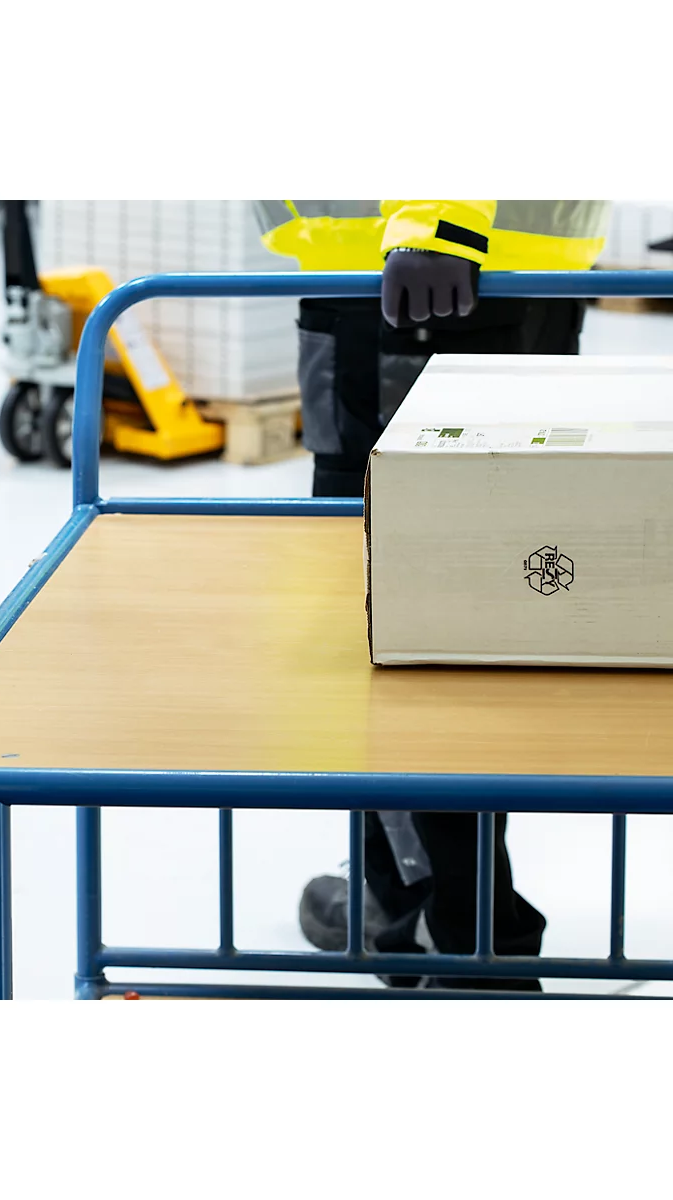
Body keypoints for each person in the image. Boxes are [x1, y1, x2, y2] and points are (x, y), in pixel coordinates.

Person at [253, 200, 611, 989]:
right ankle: (406, 898)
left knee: (410, 615)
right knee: (440, 604)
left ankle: (461, 933)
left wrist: (436, 222)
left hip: (421, 286)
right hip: (468, 283)